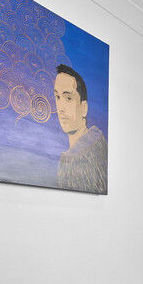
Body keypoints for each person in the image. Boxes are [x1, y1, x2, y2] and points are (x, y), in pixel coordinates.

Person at [53, 65, 107, 193]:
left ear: (84, 108)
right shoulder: (69, 158)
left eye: (68, 98)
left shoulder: (94, 152)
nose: (60, 108)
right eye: (57, 97)